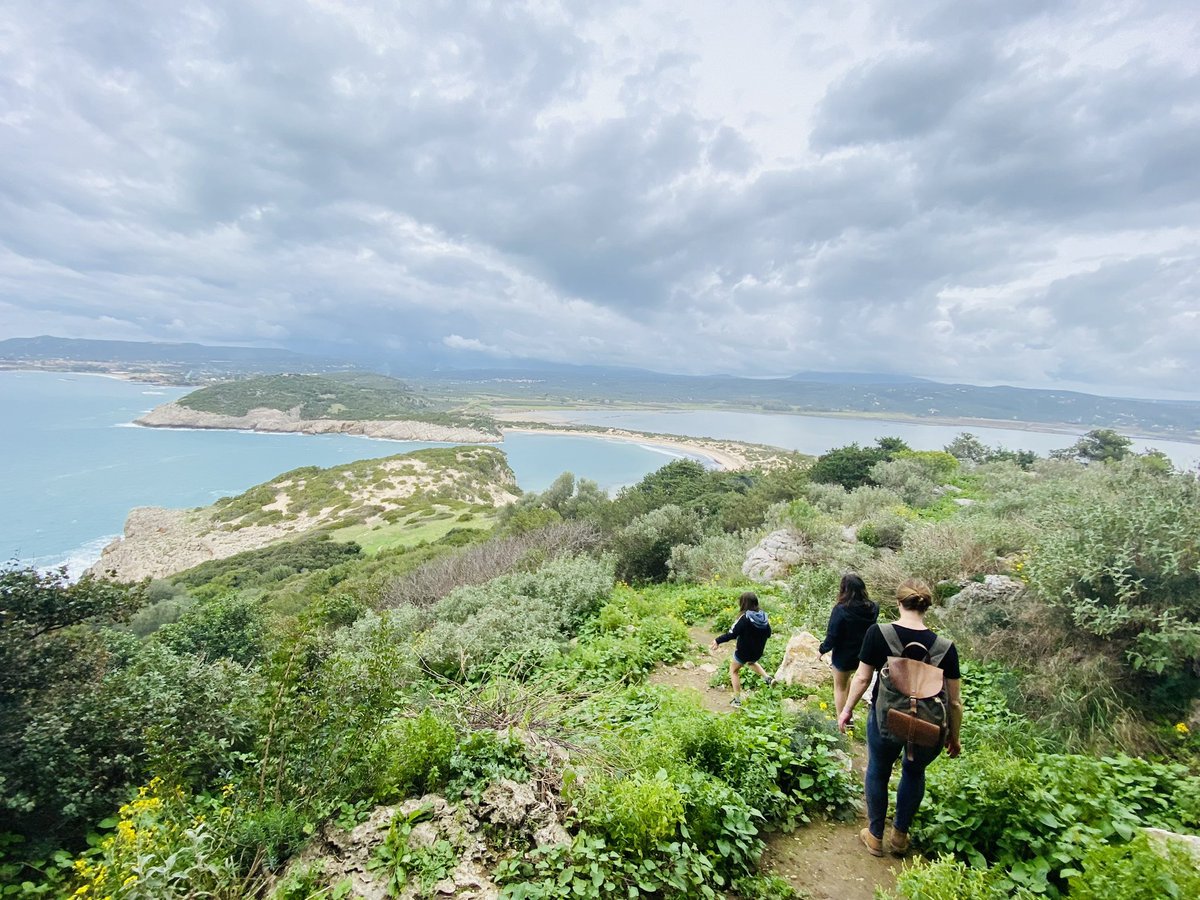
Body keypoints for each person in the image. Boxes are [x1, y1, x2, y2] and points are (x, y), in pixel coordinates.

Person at [836, 578, 962, 857]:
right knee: (915, 772)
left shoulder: (879, 634)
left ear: (898, 602)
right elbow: (954, 702)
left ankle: (875, 836)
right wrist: (954, 736)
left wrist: (846, 710)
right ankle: (900, 837)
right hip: (928, 724)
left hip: (886, 717)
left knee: (878, 770)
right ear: (926, 606)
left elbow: (861, 678)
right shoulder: (945, 648)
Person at [818, 573, 879, 723]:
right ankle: (849, 712)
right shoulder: (873, 607)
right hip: (864, 654)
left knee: (840, 687)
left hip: (844, 655)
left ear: (844, 589)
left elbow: (832, 635)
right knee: (851, 680)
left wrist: (822, 649)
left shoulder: (841, 609)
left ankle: (843, 720)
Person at [710, 591, 774, 707]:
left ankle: (737, 700)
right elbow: (769, 633)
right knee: (751, 662)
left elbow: (732, 634)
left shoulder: (744, 618)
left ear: (743, 603)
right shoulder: (764, 617)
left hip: (743, 652)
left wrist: (717, 640)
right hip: (758, 652)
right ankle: (768, 678)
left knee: (734, 671)